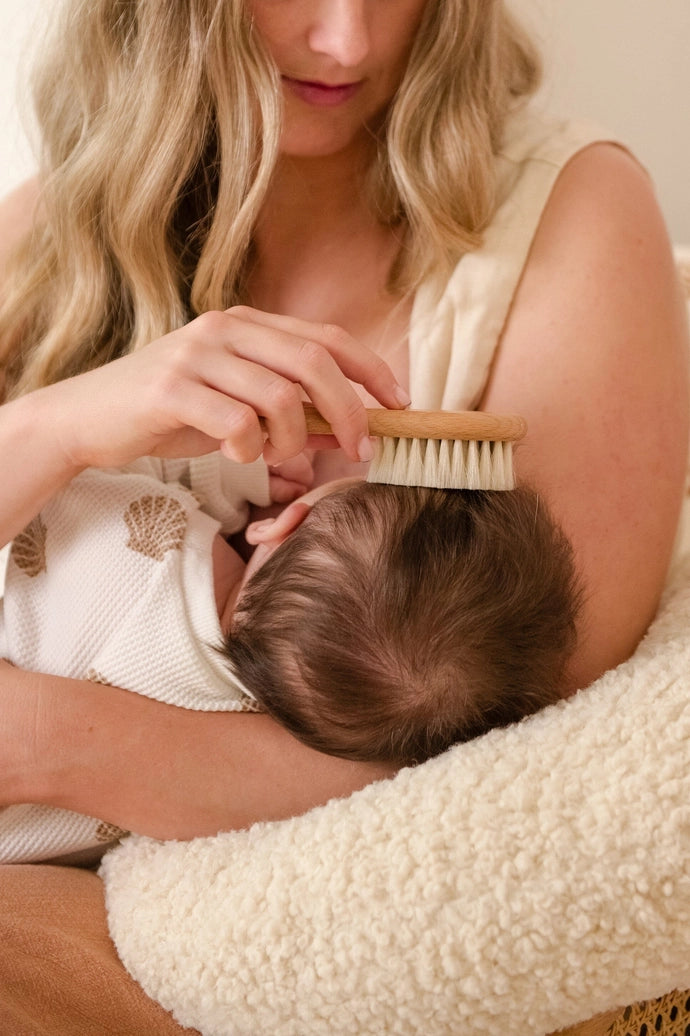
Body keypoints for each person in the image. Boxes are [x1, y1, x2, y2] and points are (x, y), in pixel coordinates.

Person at [0, 0, 687, 1030]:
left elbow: (491, 761)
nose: (348, 40)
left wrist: (45, 739)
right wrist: (61, 428)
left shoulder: (567, 219)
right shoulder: (51, 233)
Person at [0, 450, 581, 863]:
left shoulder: (140, 525)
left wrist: (231, 470)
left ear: (282, 524)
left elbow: (88, 467)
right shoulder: (218, 759)